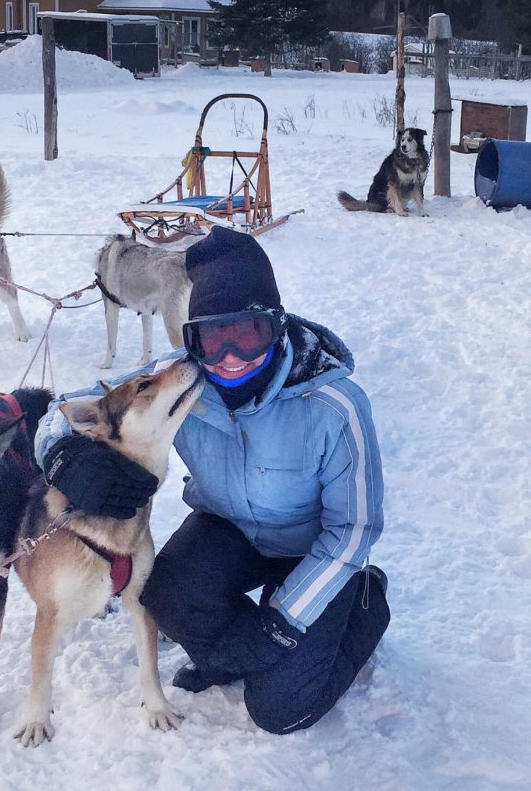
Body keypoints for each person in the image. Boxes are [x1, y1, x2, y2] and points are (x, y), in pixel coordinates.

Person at [35, 227, 390, 734]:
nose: (228, 356)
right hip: (229, 528)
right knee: (163, 592)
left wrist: (283, 623)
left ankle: (363, 603)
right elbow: (62, 410)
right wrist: (64, 456)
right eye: (210, 337)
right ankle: (247, 651)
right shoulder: (184, 380)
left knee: (281, 711)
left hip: (317, 549)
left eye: (246, 334)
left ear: (276, 326)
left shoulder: (336, 407)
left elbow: (353, 530)